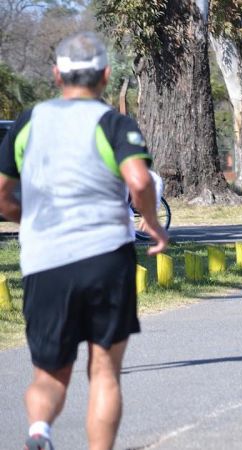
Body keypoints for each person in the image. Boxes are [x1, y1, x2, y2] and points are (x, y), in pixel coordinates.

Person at [0, 32, 168, 450]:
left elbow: (3, 195)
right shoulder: (113, 122)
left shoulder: (28, 121)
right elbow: (139, 179)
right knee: (105, 372)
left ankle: (39, 430)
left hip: (44, 262)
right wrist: (150, 220)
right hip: (104, 257)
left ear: (56, 75)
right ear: (106, 76)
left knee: (48, 376)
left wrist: (27, 218)